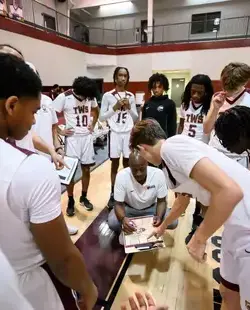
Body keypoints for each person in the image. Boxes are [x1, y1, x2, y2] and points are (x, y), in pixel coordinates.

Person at [0, 54, 97, 310]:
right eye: (33, 111)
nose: (34, 120)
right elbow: (63, 260)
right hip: (28, 286)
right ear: (11, 106)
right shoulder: (30, 169)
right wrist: (87, 286)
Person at [130, 118, 250, 310]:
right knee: (228, 293)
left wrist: (199, 238)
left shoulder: (171, 148)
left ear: (142, 148)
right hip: (235, 226)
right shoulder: (169, 160)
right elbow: (182, 200)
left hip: (247, 225)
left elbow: (230, 192)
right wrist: (161, 227)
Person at [53, 76, 100, 216]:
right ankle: (71, 200)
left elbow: (97, 111)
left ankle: (84, 197)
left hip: (86, 137)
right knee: (71, 173)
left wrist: (94, 122)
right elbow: (52, 115)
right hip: (72, 139)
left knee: (86, 169)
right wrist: (60, 130)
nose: (87, 98)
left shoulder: (90, 96)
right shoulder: (64, 97)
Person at [177, 74, 214, 244]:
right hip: (185, 148)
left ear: (206, 92)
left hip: (200, 151)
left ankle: (197, 214)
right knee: (182, 182)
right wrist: (176, 140)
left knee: (200, 186)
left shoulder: (210, 107)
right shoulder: (185, 105)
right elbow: (182, 124)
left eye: (200, 92)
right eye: (193, 91)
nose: (196, 95)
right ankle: (180, 207)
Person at [108, 151, 177, 238]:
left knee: (173, 222)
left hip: (152, 208)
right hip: (129, 209)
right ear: (129, 166)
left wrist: (159, 216)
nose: (138, 173)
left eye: (142, 169)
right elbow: (118, 204)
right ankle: (126, 229)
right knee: (112, 222)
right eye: (135, 170)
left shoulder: (158, 174)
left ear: (147, 164)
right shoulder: (121, 176)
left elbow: (162, 201)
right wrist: (122, 219)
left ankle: (149, 226)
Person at [100, 67, 138, 210]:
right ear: (115, 78)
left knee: (127, 164)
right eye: (120, 75)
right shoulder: (108, 96)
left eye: (125, 76)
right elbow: (101, 117)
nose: (123, 78)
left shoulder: (131, 96)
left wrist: (128, 107)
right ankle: (113, 193)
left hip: (127, 133)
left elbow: (135, 118)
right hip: (114, 133)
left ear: (128, 78)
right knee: (114, 165)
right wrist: (115, 107)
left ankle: (127, 192)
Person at [204, 62, 250, 168]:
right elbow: (206, 129)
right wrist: (215, 108)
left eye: (232, 88)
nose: (227, 90)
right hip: (215, 153)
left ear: (244, 82)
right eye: (224, 86)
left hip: (239, 157)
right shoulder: (217, 97)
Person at [142, 73, 177, 138]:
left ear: (164, 88)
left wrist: (170, 141)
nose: (156, 90)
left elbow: (172, 126)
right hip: (148, 138)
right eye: (154, 87)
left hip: (162, 139)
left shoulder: (170, 104)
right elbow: (143, 123)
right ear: (151, 88)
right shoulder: (147, 103)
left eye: (159, 87)